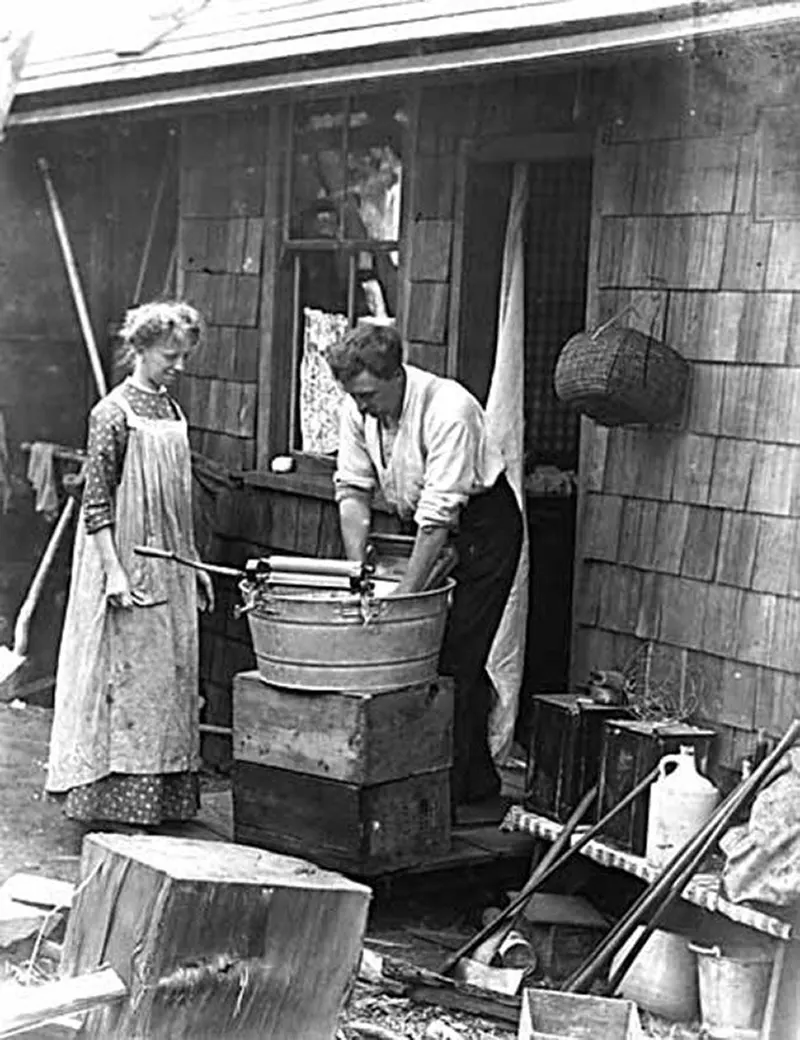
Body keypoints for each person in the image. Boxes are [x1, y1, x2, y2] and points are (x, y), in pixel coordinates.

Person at [329, 323, 523, 808]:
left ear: (397, 375)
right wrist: (361, 575)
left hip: (483, 529)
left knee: (454, 656)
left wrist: (402, 603)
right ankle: (468, 780)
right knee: (429, 655)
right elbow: (352, 491)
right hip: (426, 527)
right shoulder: (359, 411)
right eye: (354, 396)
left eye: (369, 394)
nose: (362, 406)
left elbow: (438, 519)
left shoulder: (449, 408)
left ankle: (452, 796)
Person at [46, 300, 214, 829]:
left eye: (185, 356)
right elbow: (96, 502)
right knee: (126, 682)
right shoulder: (111, 414)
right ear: (140, 349)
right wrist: (113, 571)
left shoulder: (169, 408)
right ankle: (114, 805)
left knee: (168, 683)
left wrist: (195, 563)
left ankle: (162, 801)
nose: (178, 366)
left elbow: (174, 498)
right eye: (171, 355)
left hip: (171, 563)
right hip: (123, 562)